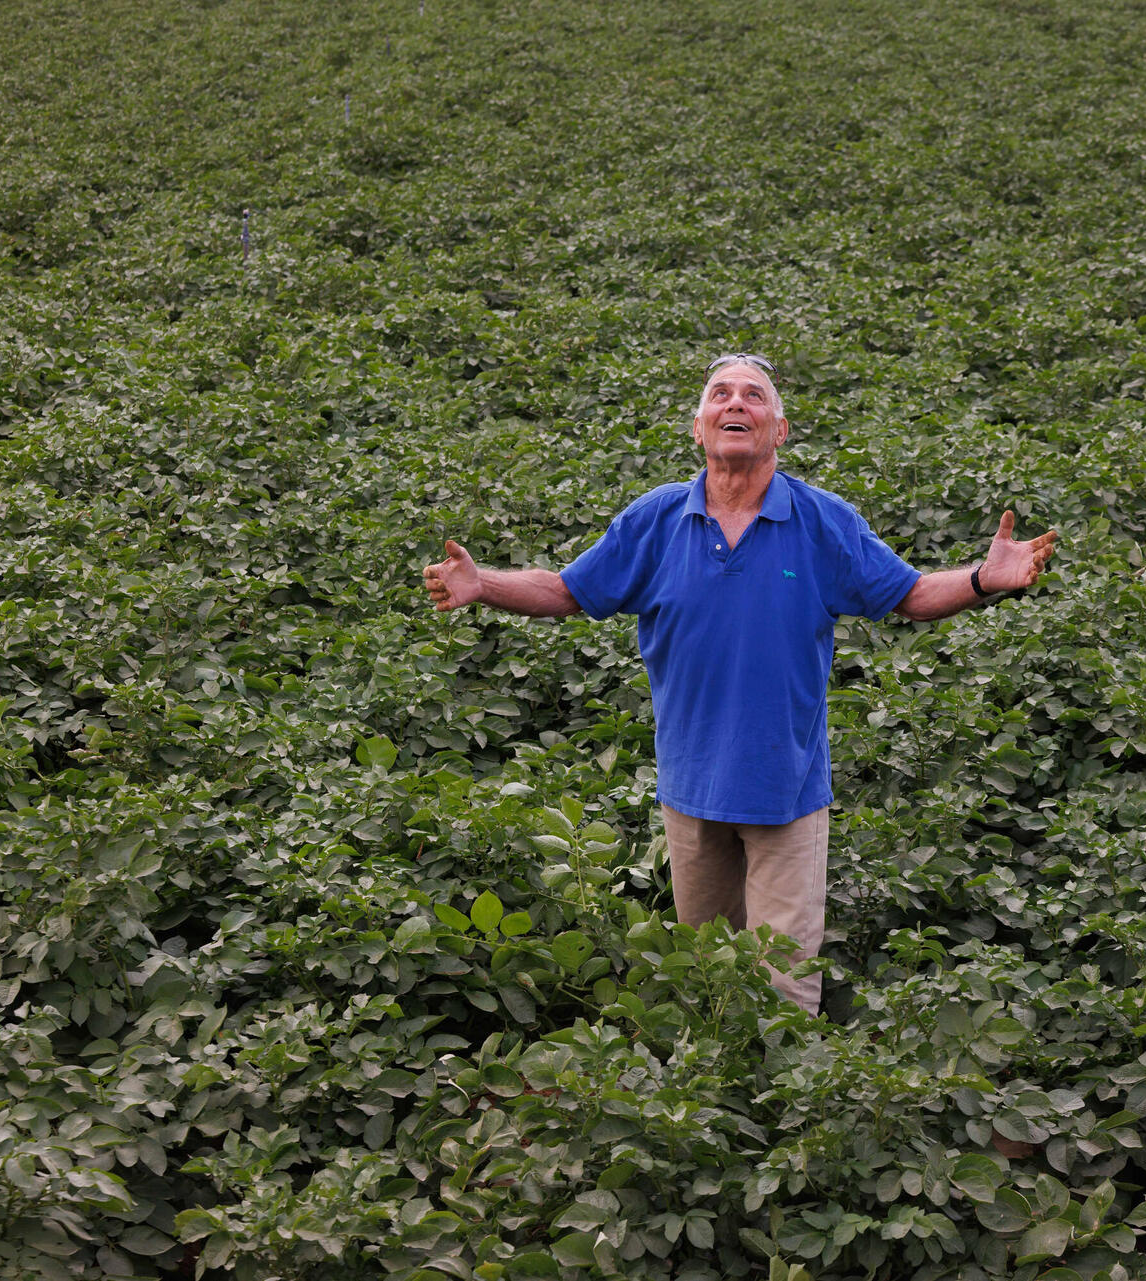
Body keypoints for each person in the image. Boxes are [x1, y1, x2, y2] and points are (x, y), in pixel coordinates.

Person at [422, 354, 1058, 1012]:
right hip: (690, 792)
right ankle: (713, 1109)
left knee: (781, 988)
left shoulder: (822, 522)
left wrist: (985, 580)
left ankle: (785, 1105)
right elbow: (566, 589)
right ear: (698, 427)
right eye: (720, 394)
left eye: (754, 396)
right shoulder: (655, 521)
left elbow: (911, 593)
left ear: (778, 429)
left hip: (785, 794)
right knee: (705, 976)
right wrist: (482, 583)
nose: (736, 404)